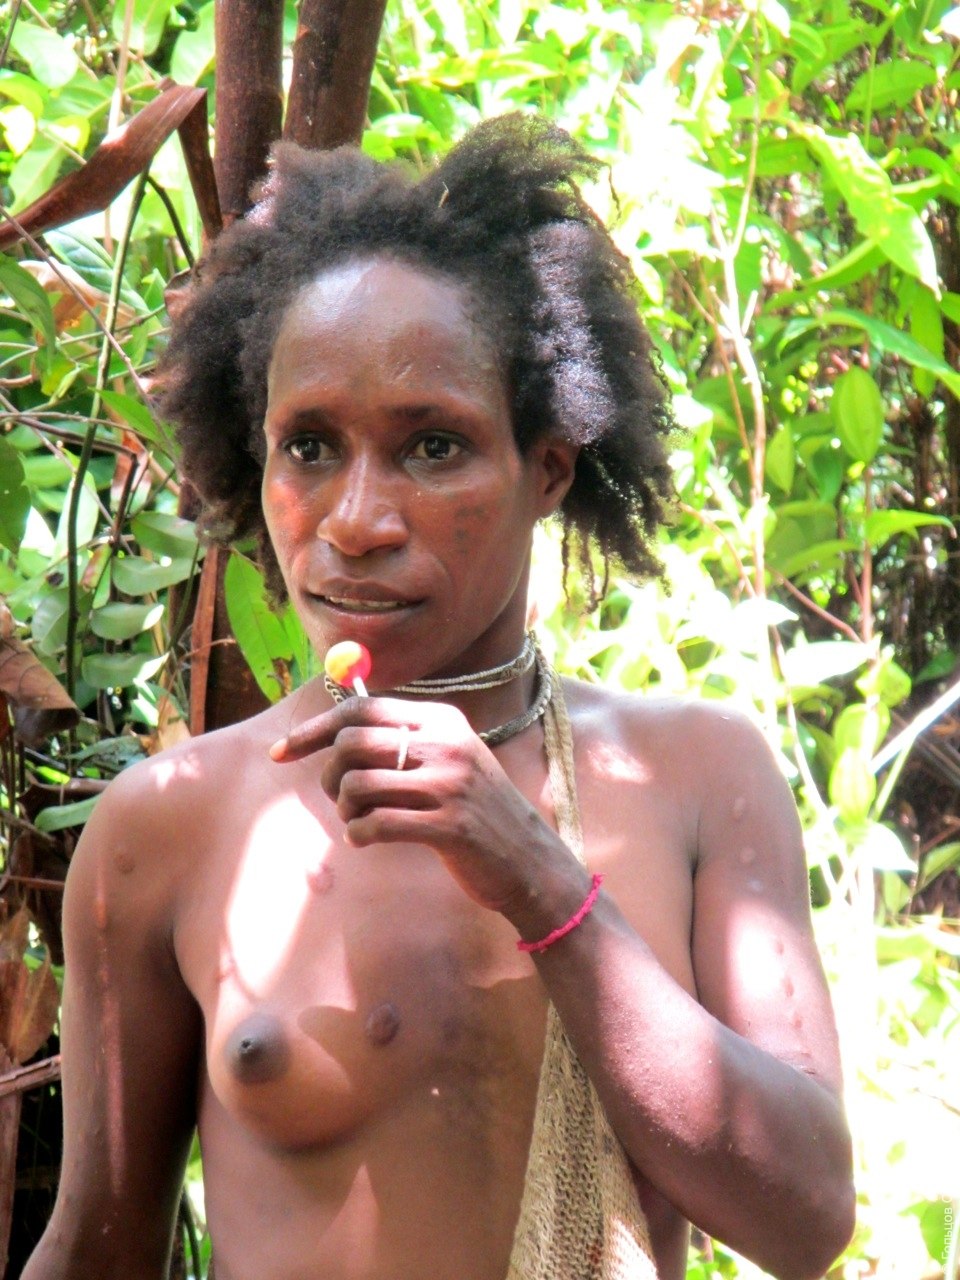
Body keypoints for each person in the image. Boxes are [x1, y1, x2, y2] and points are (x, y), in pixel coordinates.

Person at [24, 114, 855, 1280]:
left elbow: (808, 1215)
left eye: (431, 448)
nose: (358, 521)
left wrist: (540, 877)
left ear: (548, 468)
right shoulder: (164, 828)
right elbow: (99, 1246)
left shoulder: (700, 775)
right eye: (309, 446)